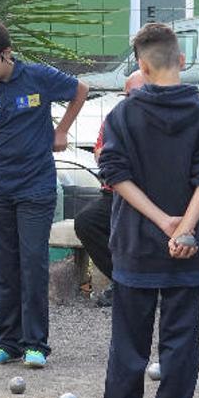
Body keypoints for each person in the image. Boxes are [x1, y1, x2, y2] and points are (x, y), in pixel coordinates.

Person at [98, 23, 199, 398]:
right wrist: (185, 227)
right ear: (182, 60)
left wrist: (162, 222)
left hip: (136, 244)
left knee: (128, 345)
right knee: (180, 344)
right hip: (188, 249)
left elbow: (115, 175)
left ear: (141, 66)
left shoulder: (122, 115)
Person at [0, 15, 88, 368]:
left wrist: (61, 131)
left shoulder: (38, 77)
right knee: (4, 266)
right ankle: (8, 342)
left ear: (6, 53)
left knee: (33, 263)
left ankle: (36, 344)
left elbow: (81, 90)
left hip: (36, 187)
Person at [74, 70, 146, 307]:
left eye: (136, 94)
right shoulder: (116, 118)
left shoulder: (162, 118)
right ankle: (124, 281)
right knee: (86, 221)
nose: (130, 100)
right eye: (127, 95)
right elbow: (100, 154)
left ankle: (148, 283)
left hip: (150, 196)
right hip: (115, 193)